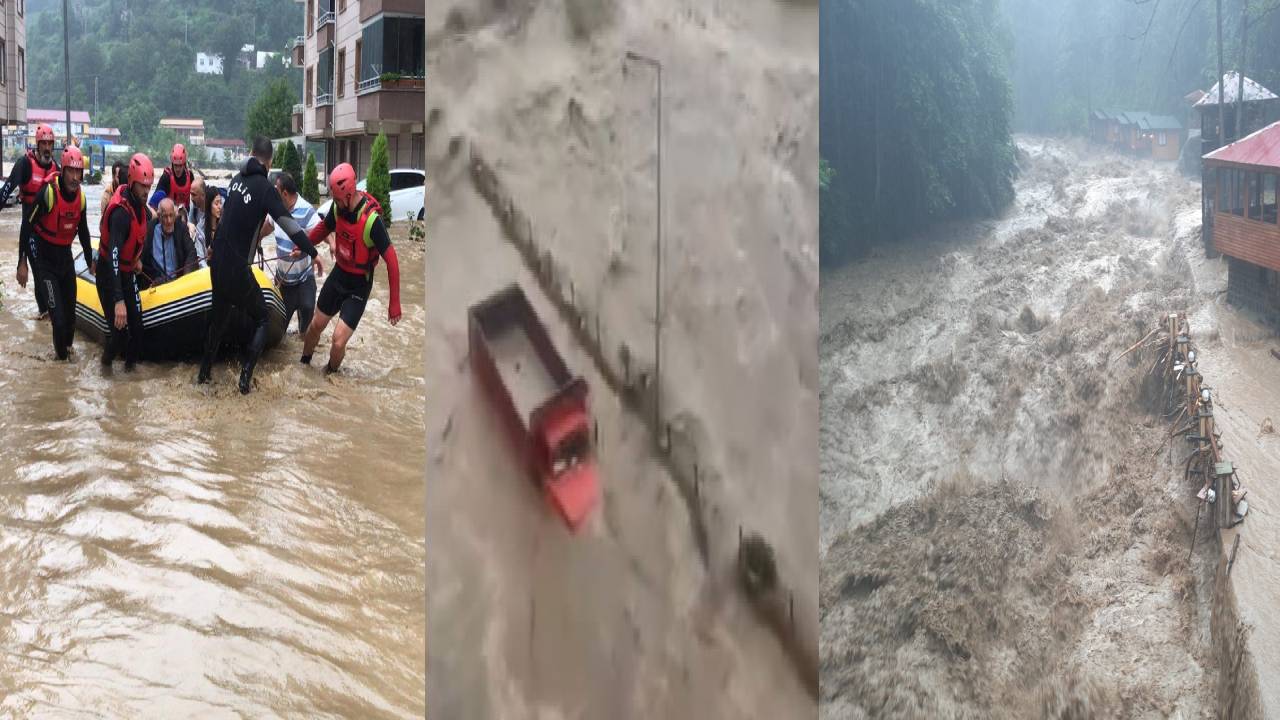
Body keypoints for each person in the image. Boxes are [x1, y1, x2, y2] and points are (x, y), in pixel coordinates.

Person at [197, 137, 318, 394]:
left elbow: (227, 219)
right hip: (237, 268)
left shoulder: (236, 180)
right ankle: (244, 381)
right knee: (263, 317)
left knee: (218, 320)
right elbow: (290, 225)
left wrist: (212, 247)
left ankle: (203, 375)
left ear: (251, 154)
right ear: (270, 161)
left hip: (217, 263)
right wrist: (313, 251)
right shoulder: (264, 189)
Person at [300, 163, 402, 374]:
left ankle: (329, 374)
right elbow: (323, 229)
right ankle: (303, 365)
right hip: (339, 275)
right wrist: (303, 247)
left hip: (359, 285)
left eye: (337, 198)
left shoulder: (372, 221)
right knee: (315, 326)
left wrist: (394, 303)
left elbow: (392, 261)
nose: (334, 203)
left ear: (348, 194)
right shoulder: (338, 209)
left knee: (337, 342)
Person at [26, 145, 94, 360]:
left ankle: (66, 352)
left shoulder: (81, 199)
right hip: (46, 265)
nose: (75, 177)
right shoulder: (47, 193)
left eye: (78, 172)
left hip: (65, 261)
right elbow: (27, 227)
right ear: (63, 171)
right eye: (71, 172)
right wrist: (22, 261)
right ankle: (61, 365)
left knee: (71, 319)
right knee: (58, 318)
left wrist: (91, 260)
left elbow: (83, 231)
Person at [97, 153, 153, 371]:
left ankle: (129, 380)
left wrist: (137, 260)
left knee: (138, 331)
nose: (146, 191)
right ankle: (105, 368)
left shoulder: (142, 209)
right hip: (109, 274)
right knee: (119, 334)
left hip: (127, 273)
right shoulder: (120, 213)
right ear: (131, 182)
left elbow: (143, 232)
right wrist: (119, 300)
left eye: (149, 186)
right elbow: (112, 255)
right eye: (142, 186)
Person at [1, 124, 60, 318]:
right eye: (43, 143)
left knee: (51, 275)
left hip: (50, 233)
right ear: (37, 144)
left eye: (49, 144)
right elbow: (5, 193)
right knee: (41, 273)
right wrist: (21, 260)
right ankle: (45, 313)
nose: (46, 148)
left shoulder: (56, 169)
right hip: (31, 231)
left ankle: (49, 316)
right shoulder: (24, 165)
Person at [260, 172, 322, 333]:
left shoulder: (306, 209)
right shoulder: (276, 209)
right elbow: (266, 228)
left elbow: (322, 230)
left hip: (304, 277)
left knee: (307, 313)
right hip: (283, 280)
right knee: (279, 330)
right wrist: (253, 240)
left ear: (285, 193)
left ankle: (302, 336)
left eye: (276, 193)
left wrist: (333, 244)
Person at [141, 198, 197, 288]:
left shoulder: (181, 228)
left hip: (179, 283)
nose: (169, 221)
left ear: (175, 215)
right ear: (159, 216)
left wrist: (186, 276)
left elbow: (192, 253)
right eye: (165, 216)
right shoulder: (150, 230)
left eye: (171, 216)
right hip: (158, 286)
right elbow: (143, 261)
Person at [149, 143, 195, 211]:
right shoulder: (166, 177)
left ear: (184, 163)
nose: (178, 169)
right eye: (176, 165)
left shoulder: (190, 176)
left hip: (185, 214)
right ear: (172, 163)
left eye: (180, 165)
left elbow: (197, 194)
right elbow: (154, 201)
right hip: (169, 216)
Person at [198, 186, 224, 266]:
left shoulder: (224, 225)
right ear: (209, 205)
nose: (220, 207)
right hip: (207, 270)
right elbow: (200, 258)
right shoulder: (200, 228)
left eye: (220, 203)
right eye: (216, 203)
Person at [187, 175, 208, 265]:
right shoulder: (194, 208)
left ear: (203, 195)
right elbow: (191, 226)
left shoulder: (213, 210)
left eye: (194, 195)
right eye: (190, 194)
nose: (191, 198)